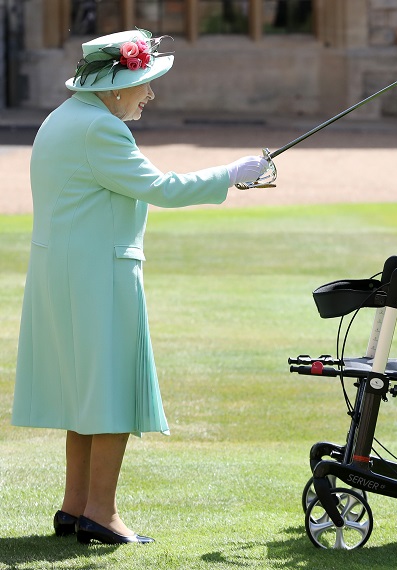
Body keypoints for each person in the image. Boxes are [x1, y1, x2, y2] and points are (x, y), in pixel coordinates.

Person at [11, 29, 270, 545]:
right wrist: (232, 173)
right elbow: (159, 188)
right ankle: (100, 514)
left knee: (87, 392)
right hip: (98, 276)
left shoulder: (61, 118)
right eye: (143, 83)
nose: (149, 94)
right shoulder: (101, 129)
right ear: (113, 87)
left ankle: (75, 506)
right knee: (111, 392)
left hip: (63, 274)